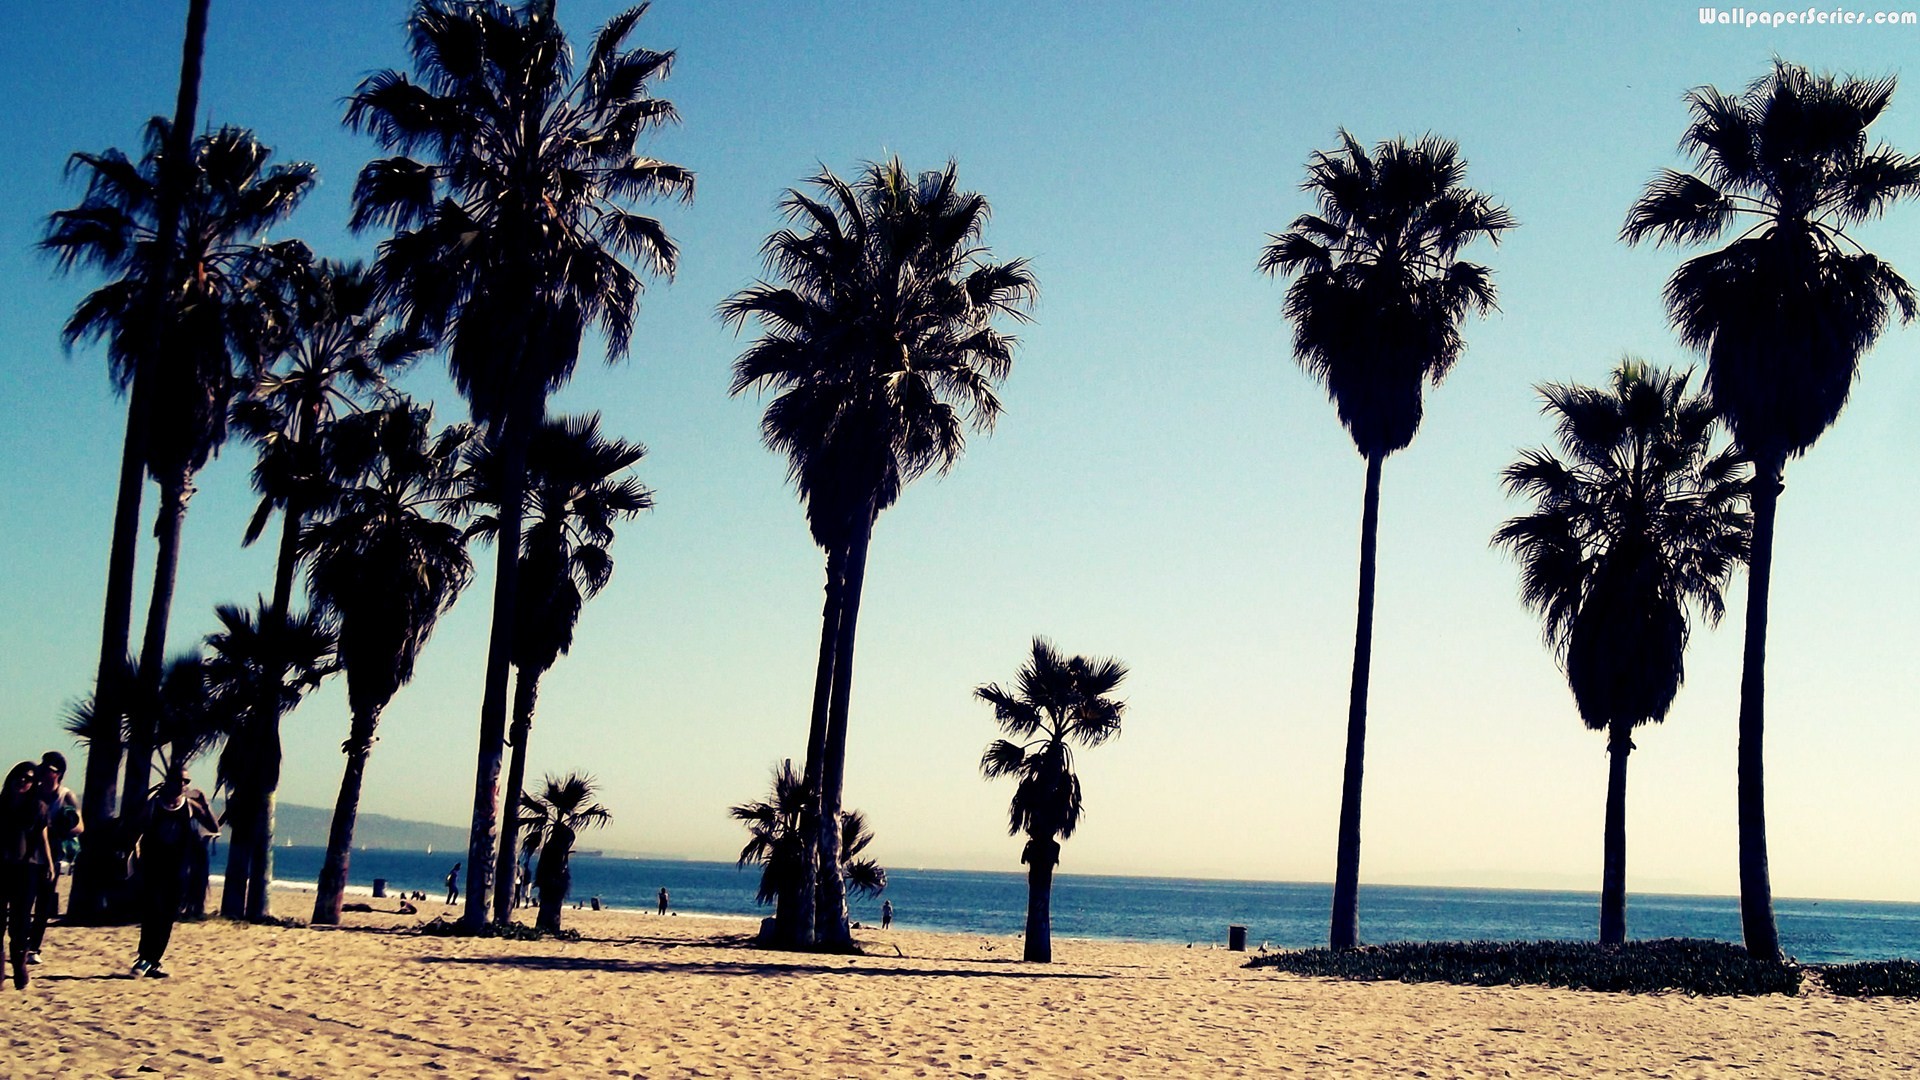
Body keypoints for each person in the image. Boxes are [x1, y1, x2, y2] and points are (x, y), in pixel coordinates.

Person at [132, 774, 218, 979]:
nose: (182, 784)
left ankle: (153, 961)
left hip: (178, 871)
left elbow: (214, 828)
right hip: (153, 868)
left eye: (186, 781)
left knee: (168, 916)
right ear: (168, 781)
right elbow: (136, 827)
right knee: (152, 912)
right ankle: (144, 957)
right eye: (179, 780)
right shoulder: (154, 804)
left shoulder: (190, 806)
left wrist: (206, 806)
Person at [2, 762, 53, 989]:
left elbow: (43, 837)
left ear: (34, 784)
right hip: (2, 867)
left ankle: (19, 965)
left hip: (26, 868)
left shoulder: (38, 807)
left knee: (21, 919)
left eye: (28, 778)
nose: (23, 781)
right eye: (20, 777)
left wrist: (49, 863)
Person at [27, 753, 81, 966]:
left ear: (58, 773)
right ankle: (23, 942)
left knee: (44, 900)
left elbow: (80, 826)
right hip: (30, 851)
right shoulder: (32, 792)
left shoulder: (66, 796)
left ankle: (34, 947)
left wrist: (60, 825)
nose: (42, 770)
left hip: (54, 853)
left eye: (47, 767)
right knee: (25, 900)